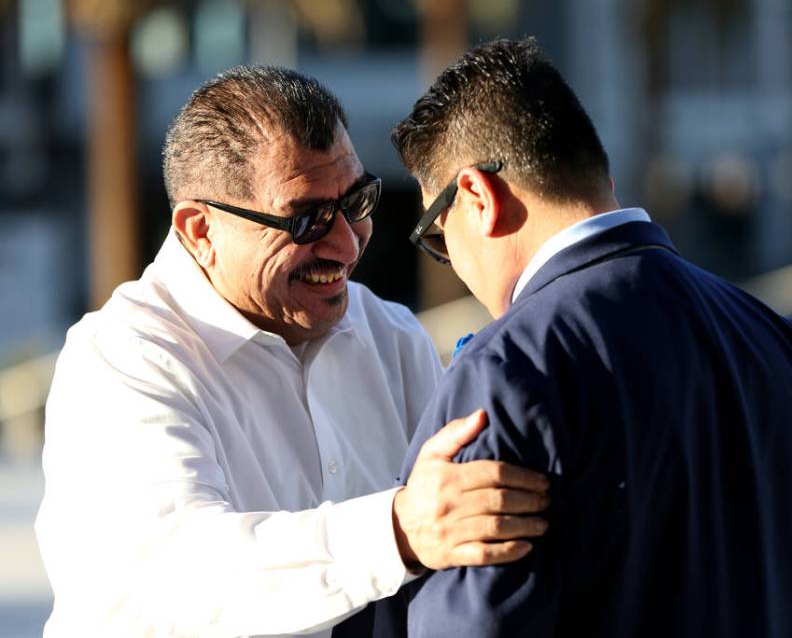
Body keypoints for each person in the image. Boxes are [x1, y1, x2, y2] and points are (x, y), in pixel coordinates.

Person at [34, 65, 550, 637]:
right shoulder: (120, 362)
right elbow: (182, 573)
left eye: (357, 201)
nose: (347, 243)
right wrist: (398, 531)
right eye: (307, 219)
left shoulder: (391, 337)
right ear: (200, 230)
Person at [374, 38, 792, 637]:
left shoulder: (510, 368)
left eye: (437, 236)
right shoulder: (785, 345)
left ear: (476, 196)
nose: (453, 262)